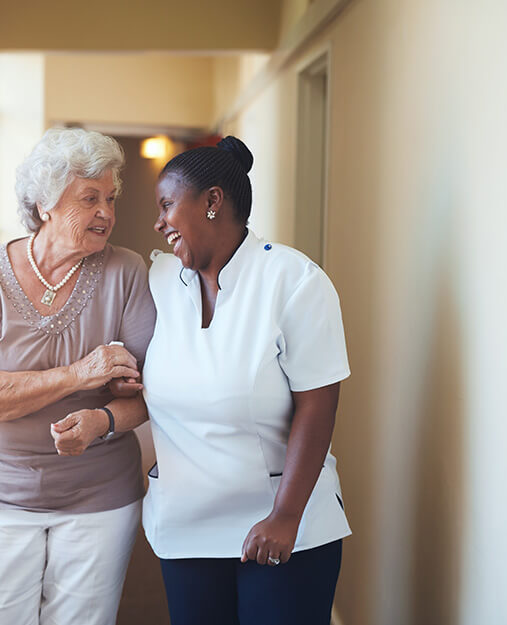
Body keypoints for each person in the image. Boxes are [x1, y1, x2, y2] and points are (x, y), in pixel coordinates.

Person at [0, 127, 156, 625]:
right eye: (89, 198)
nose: (106, 212)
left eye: (110, 197)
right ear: (44, 205)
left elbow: (151, 393)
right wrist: (82, 374)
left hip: (101, 494)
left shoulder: (126, 272)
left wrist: (101, 420)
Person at [142, 136, 351, 625]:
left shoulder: (295, 281)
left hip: (280, 527)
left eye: (167, 205)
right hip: (186, 527)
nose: (158, 222)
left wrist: (285, 516)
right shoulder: (159, 284)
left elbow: (318, 406)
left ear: (213, 201)